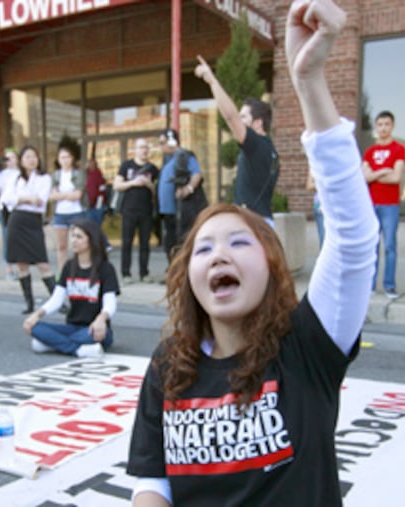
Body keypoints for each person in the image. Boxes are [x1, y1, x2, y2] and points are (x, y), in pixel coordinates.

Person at [126, 2, 379, 505]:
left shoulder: (307, 347)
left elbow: (353, 241)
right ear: (187, 275)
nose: (220, 254)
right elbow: (152, 482)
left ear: (271, 266)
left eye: (240, 242)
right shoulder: (167, 365)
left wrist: (308, 81)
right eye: (204, 248)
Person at [194, 58, 279, 226]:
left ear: (258, 122)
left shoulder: (256, 144)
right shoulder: (268, 148)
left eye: (244, 117)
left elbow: (230, 117)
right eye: (241, 117)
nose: (239, 121)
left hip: (253, 223)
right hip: (261, 222)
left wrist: (212, 80)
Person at [22, 218, 120, 357]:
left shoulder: (106, 268)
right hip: (72, 328)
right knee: (35, 328)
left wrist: (101, 319)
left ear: (91, 240)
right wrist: (37, 314)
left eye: (79, 237)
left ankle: (51, 344)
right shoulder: (69, 266)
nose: (73, 240)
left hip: (95, 329)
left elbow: (110, 302)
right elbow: (57, 299)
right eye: (73, 236)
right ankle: (78, 350)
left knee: (88, 336)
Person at [1, 146, 55, 314]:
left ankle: (57, 300)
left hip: (33, 221)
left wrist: (21, 199)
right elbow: (6, 199)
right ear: (21, 160)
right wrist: (25, 198)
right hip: (16, 221)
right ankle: (29, 302)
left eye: (34, 156)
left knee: (42, 263)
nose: (31, 160)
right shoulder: (15, 177)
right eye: (27, 157)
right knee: (21, 263)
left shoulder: (44, 178)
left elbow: (41, 200)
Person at [362, 110, 405, 299]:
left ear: (392, 126)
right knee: (371, 247)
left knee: (389, 246)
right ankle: (370, 286)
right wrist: (383, 171)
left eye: (386, 124)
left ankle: (389, 285)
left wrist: (375, 174)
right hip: (371, 204)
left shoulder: (398, 149)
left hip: (390, 205)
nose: (383, 128)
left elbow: (396, 177)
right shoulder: (370, 152)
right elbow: (364, 177)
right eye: (380, 125)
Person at [157, 128, 206, 262]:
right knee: (170, 242)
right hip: (168, 211)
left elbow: (196, 174)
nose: (161, 147)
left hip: (180, 210)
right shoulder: (168, 159)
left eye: (163, 143)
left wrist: (187, 189)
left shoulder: (185, 156)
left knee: (180, 241)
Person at [114, 138, 158, 283]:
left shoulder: (153, 168)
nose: (143, 150)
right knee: (127, 242)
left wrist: (149, 184)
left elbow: (156, 191)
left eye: (146, 147)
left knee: (145, 243)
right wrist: (133, 182)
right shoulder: (126, 165)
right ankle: (126, 273)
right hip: (129, 210)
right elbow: (117, 185)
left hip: (146, 211)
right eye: (140, 147)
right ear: (135, 150)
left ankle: (144, 273)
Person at [50, 136, 87, 275]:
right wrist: (67, 194)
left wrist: (62, 195)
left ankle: (78, 271)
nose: (65, 160)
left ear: (72, 158)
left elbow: (77, 195)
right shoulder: (55, 176)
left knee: (78, 245)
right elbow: (52, 196)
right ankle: (62, 273)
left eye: (67, 157)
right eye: (62, 157)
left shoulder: (78, 174)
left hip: (76, 212)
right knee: (61, 246)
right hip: (60, 214)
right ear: (58, 159)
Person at [0, 148, 21, 281]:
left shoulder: (21, 173)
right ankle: (9, 269)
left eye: (12, 157)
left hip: (18, 207)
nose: (10, 161)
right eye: (7, 158)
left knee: (19, 238)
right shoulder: (1, 174)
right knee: (7, 238)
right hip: (5, 208)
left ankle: (21, 268)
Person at [306, 172, 325, 247]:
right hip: (320, 208)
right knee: (324, 240)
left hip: (336, 207)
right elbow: (309, 185)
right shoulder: (315, 166)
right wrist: (324, 183)